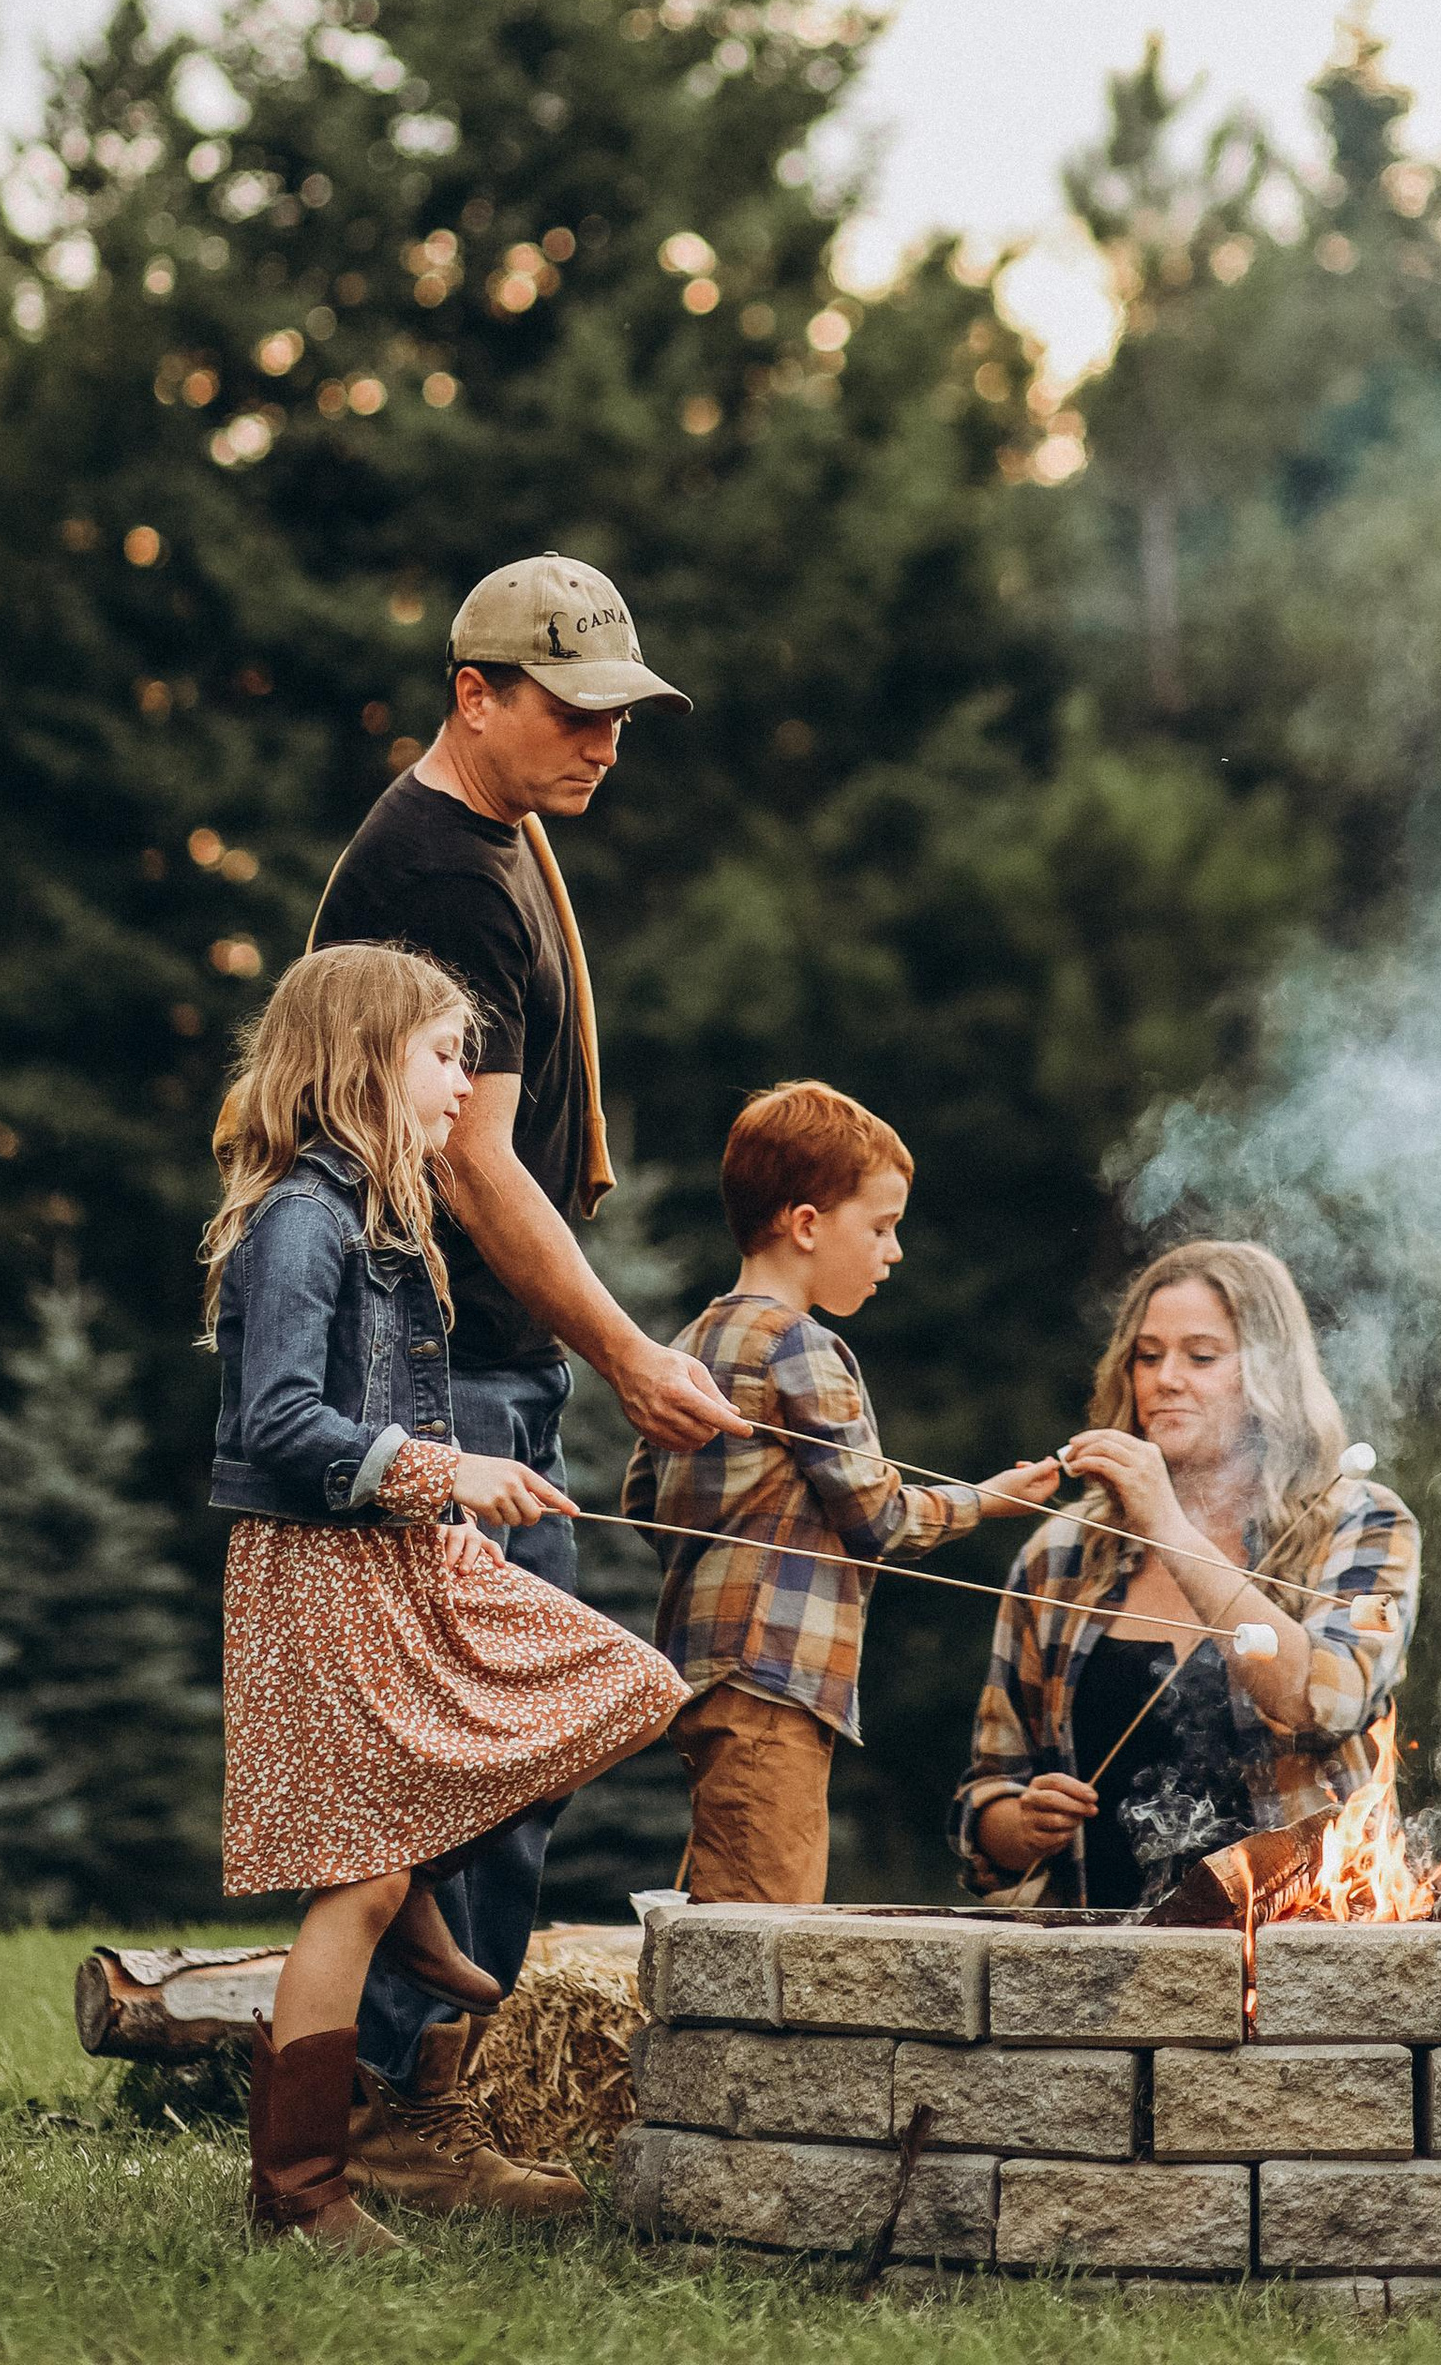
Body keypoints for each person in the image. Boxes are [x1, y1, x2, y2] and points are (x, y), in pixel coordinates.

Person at [303, 550, 746, 2215]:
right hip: (442, 1371)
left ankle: (423, 2091)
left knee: (508, 1737)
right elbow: (479, 1165)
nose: (605, 746)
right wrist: (627, 1353)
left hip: (481, 1366)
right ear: (471, 693)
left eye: (622, 716)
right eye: (573, 713)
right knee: (480, 1736)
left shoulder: (502, 837)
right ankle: (407, 2108)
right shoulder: (440, 873)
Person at [206, 941, 684, 2252]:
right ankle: (301, 2192)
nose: (464, 1086)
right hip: (325, 1570)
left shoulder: (383, 1214)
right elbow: (279, 1421)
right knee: (349, 1887)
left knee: (621, 1686)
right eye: (442, 1056)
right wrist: (447, 1467)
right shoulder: (305, 1220)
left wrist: (459, 1502)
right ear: (365, 1063)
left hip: (404, 1552)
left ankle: (415, 1870)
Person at [623, 1081, 1058, 1901]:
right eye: (883, 1227)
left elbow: (646, 1500)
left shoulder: (689, 1341)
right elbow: (881, 1518)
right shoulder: (801, 1347)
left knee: (726, 1894)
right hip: (776, 1681)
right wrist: (988, 1501)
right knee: (763, 1935)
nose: (893, 1251)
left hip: (707, 1675)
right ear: (807, 1224)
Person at [951, 1241, 1419, 1909]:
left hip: (1304, 1971)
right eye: (1148, 1356)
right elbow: (986, 1794)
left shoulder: (1362, 1525)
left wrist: (1170, 1527)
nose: (1165, 1378)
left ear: (1270, 1378)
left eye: (1201, 1356)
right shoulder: (1059, 1555)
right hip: (1096, 1974)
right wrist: (1020, 1826)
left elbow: (1324, 1701)